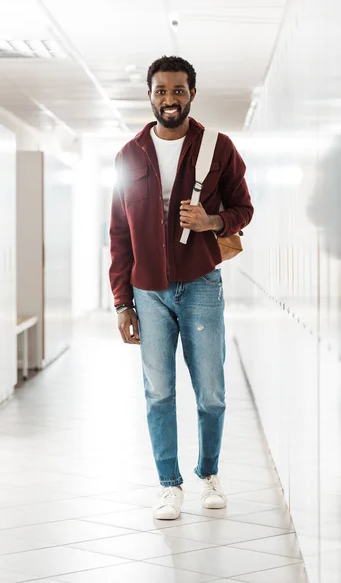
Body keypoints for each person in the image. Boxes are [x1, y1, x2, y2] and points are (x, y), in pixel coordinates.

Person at [109, 56, 254, 520]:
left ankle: (208, 472)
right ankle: (168, 485)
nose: (169, 100)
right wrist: (121, 302)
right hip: (147, 292)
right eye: (160, 91)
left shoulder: (218, 147)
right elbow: (118, 233)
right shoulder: (129, 155)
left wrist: (213, 221)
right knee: (158, 392)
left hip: (200, 284)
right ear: (149, 95)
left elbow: (244, 208)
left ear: (192, 93)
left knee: (210, 390)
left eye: (177, 91)